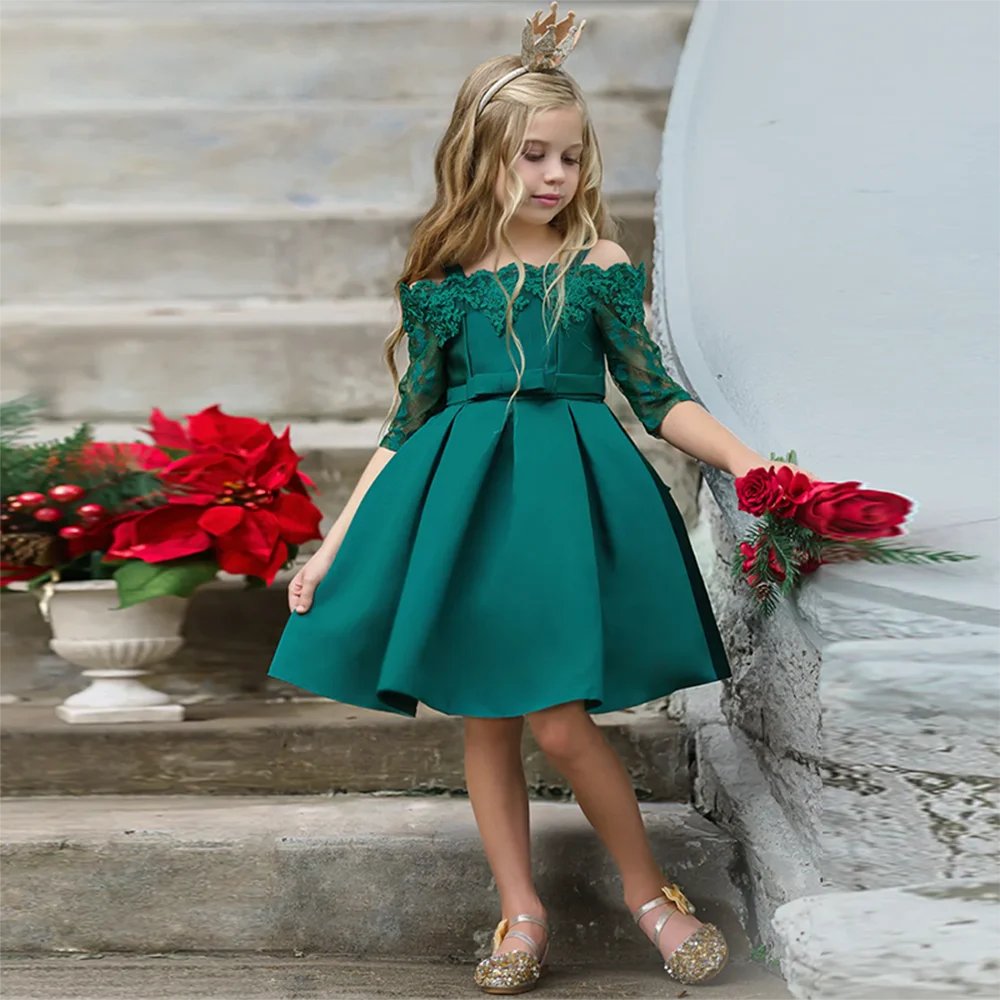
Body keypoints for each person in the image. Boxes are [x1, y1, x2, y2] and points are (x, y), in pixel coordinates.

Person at [268, 4, 816, 993]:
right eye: (531, 156)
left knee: (559, 721)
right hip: (462, 512)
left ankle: (649, 892)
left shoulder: (596, 268)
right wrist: (332, 544)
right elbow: (406, 424)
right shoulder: (440, 284)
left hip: (563, 509)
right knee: (485, 717)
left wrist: (751, 464)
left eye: (568, 156)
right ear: (481, 157)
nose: (555, 176)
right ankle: (519, 907)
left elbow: (655, 396)